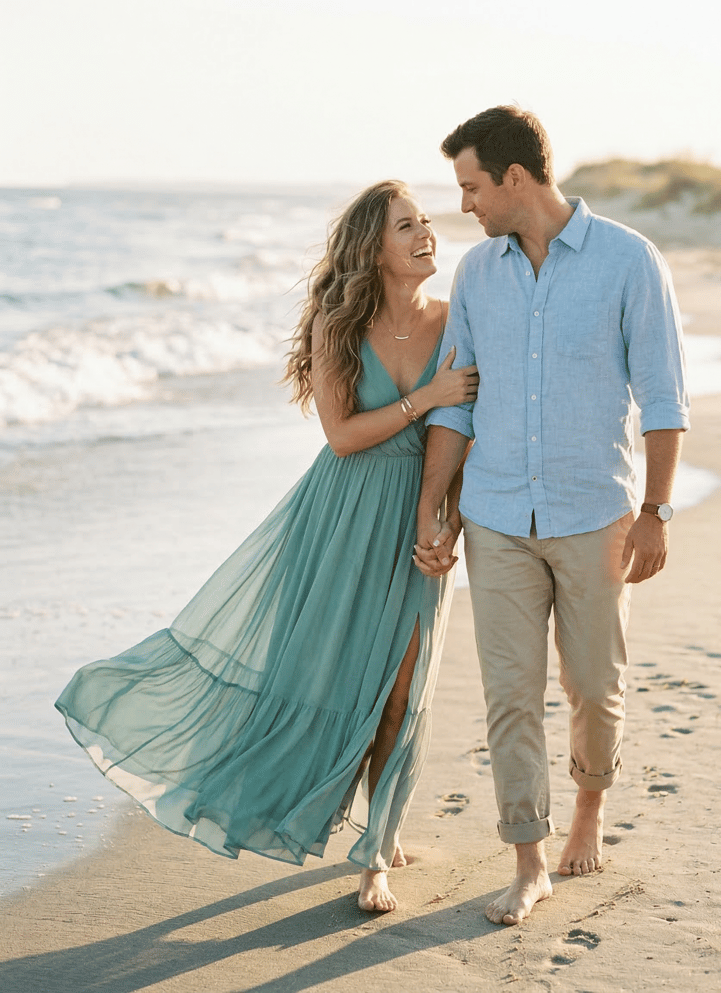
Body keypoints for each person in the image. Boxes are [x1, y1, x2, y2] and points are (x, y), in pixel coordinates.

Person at [56, 180, 478, 914]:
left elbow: (457, 431)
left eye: (426, 221)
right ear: (372, 249)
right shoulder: (337, 327)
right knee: (330, 682)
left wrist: (445, 522)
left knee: (402, 692)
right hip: (340, 516)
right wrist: (422, 398)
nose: (426, 234)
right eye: (406, 225)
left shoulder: (454, 320)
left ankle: (377, 849)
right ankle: (334, 811)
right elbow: (342, 436)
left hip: (415, 518)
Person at [414, 106, 690, 926]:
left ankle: (588, 812)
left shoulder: (630, 262)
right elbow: (459, 404)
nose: (464, 205)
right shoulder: (477, 275)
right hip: (497, 513)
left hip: (594, 513)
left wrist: (657, 511)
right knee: (510, 694)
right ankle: (528, 859)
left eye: (471, 187)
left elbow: (666, 397)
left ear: (516, 179)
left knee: (594, 689)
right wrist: (440, 506)